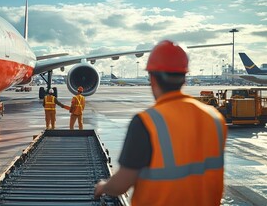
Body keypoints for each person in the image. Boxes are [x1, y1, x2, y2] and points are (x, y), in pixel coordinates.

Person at [94, 40, 227, 205]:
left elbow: (122, 184)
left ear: (152, 78)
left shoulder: (146, 122)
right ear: (184, 78)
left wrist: (103, 186)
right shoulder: (215, 119)